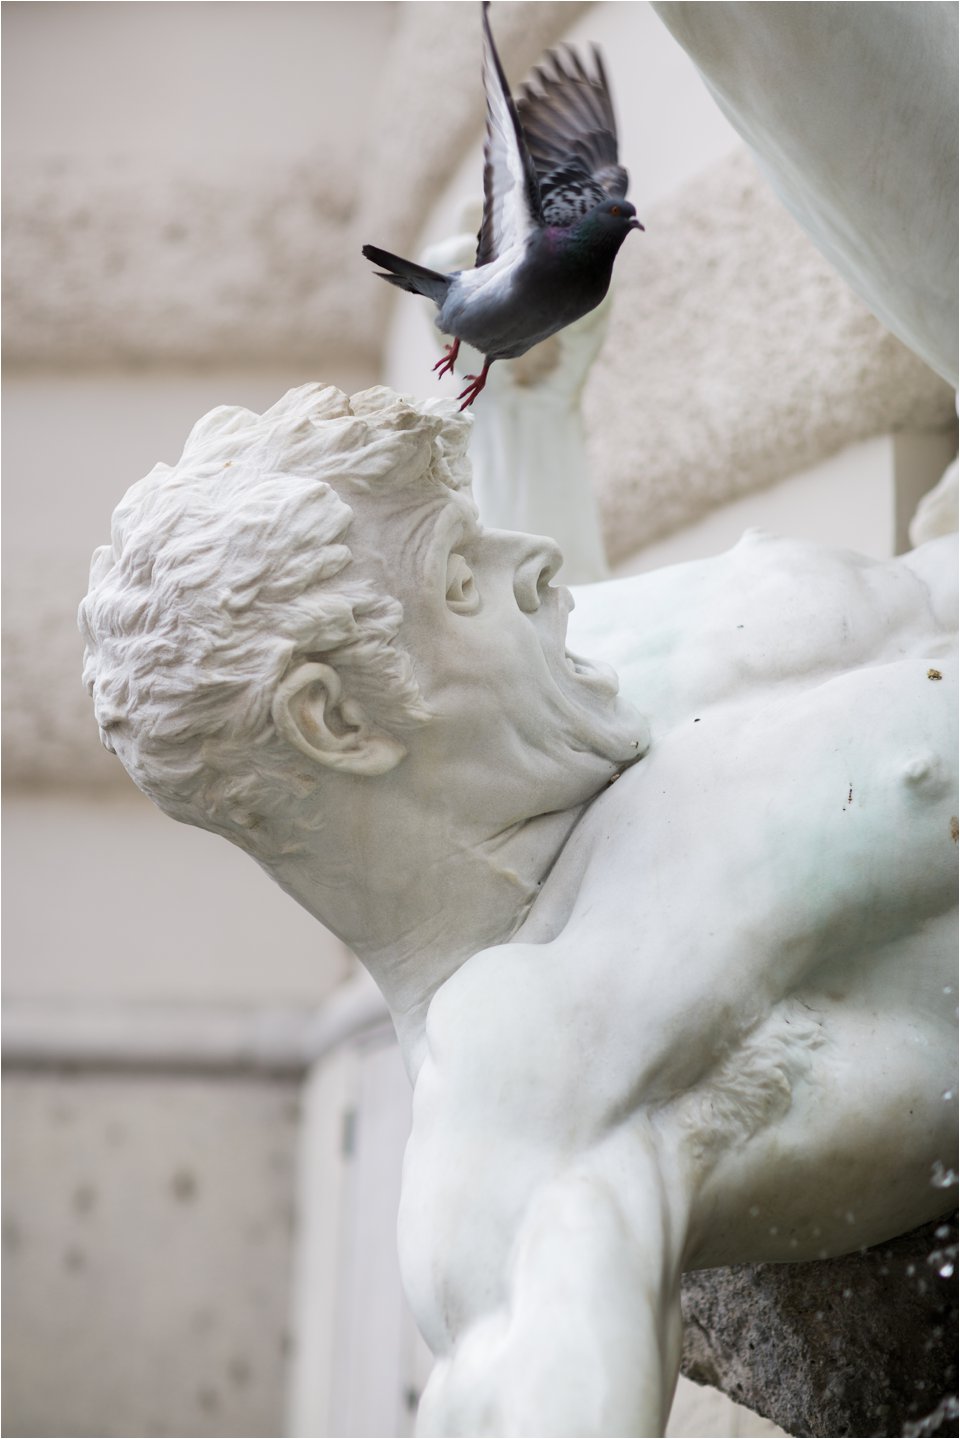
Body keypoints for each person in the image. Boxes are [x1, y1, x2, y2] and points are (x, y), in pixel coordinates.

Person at [80, 381, 957, 1436]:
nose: (533, 559)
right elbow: (529, 1360)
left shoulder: (571, 691)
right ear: (337, 721)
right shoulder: (528, 1066)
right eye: (460, 574)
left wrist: (531, 406)